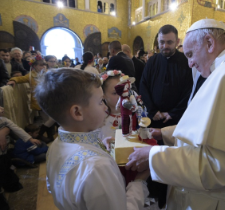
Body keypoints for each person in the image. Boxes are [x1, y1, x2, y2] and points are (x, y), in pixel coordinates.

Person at [126, 19, 225, 210]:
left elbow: (215, 167)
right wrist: (165, 134)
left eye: (191, 54)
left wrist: (152, 156)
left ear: (209, 43)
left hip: (221, 200)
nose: (190, 63)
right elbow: (213, 130)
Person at [34, 68, 149, 209]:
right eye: (101, 101)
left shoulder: (55, 145)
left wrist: (100, 145)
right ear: (77, 112)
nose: (105, 108)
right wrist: (139, 182)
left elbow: (55, 186)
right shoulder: (97, 167)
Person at [139, 24, 192, 130]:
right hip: (153, 118)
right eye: (162, 42)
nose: (165, 46)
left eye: (169, 42)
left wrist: (173, 113)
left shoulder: (186, 62)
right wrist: (153, 110)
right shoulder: (152, 61)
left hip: (175, 121)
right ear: (158, 41)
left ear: (177, 42)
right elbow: (143, 85)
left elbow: (189, 91)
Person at [7, 55, 56, 142]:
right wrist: (13, 80)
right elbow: (21, 79)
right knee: (48, 119)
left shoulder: (49, 73)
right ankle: (44, 136)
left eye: (44, 64)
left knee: (50, 119)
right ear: (34, 66)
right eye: (40, 65)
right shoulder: (31, 75)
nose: (43, 66)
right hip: (40, 101)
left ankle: (43, 135)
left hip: (50, 99)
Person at [0, 106, 41, 208]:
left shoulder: (4, 120)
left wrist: (30, 139)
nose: (2, 109)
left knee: (4, 170)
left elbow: (16, 129)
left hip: (3, 154)